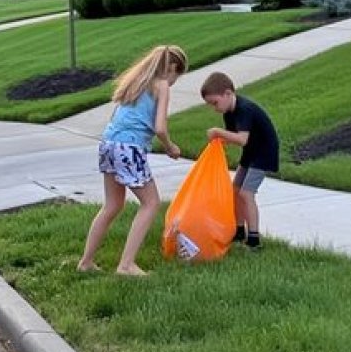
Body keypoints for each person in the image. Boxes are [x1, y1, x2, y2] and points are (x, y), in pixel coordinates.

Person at [78, 44, 189, 276]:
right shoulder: (161, 86)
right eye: (177, 77)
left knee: (112, 205)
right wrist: (170, 147)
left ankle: (86, 262)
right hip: (129, 148)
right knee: (151, 204)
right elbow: (159, 127)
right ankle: (126, 265)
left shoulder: (136, 81)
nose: (174, 82)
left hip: (108, 144)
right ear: (172, 68)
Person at [200, 71, 279, 249]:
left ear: (228, 94)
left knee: (246, 193)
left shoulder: (244, 109)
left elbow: (241, 139)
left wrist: (219, 133)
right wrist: (219, 141)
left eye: (215, 103)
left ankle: (253, 240)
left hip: (264, 153)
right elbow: (233, 137)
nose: (214, 108)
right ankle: (238, 231)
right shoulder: (228, 112)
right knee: (235, 190)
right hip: (251, 152)